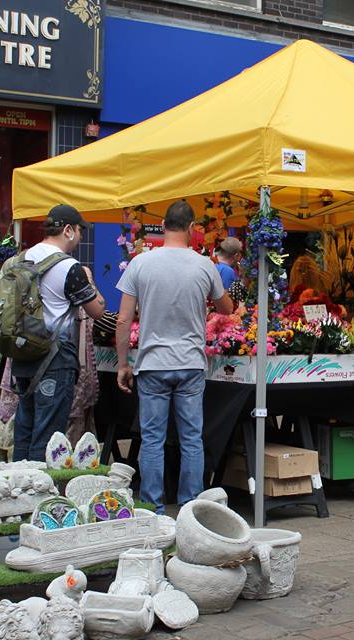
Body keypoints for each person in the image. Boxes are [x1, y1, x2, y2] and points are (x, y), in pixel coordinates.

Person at [114, 200, 233, 512]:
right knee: (191, 438)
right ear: (192, 229)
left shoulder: (141, 263)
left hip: (152, 364)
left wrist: (123, 363)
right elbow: (227, 309)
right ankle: (191, 506)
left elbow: (124, 319)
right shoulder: (205, 265)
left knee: (152, 440)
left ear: (163, 227)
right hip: (191, 364)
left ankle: (153, 507)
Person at [11, 205, 105, 462]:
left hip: (22, 353)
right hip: (55, 358)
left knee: (25, 428)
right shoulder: (69, 267)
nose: (80, 237)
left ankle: (17, 483)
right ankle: (39, 493)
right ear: (67, 230)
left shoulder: (21, 259)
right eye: (79, 231)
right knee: (48, 435)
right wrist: (90, 280)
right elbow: (97, 310)